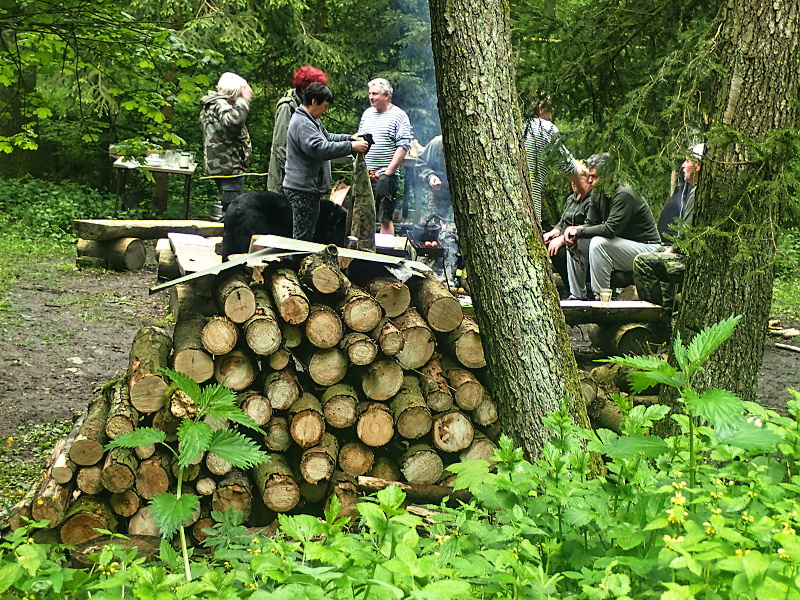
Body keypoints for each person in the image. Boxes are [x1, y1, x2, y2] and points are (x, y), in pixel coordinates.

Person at [563, 153, 662, 299]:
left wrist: (579, 231)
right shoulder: (598, 192)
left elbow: (610, 230)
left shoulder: (624, 193)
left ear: (609, 175)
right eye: (589, 176)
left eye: (595, 177)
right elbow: (590, 224)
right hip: (619, 246)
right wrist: (573, 232)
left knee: (598, 243)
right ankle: (577, 296)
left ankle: (601, 299)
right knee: (576, 241)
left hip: (647, 248)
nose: (590, 181)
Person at [633, 143, 705, 338]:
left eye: (688, 161)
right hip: (685, 254)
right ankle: (663, 321)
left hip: (695, 260)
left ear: (698, 166)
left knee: (644, 263)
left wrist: (673, 250)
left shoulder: (702, 193)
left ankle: (658, 324)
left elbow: (691, 237)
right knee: (656, 257)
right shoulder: (694, 190)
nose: (683, 165)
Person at [283, 83, 369, 241]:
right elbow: (319, 149)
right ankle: (297, 262)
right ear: (314, 101)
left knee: (307, 234)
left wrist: (351, 138)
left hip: (308, 188)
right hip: (302, 189)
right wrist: (351, 146)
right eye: (324, 106)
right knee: (302, 238)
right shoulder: (303, 123)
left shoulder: (311, 120)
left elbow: (328, 138)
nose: (325, 110)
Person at [359, 78, 413, 235]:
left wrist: (388, 172)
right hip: (366, 173)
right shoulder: (367, 114)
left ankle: (385, 256)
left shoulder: (399, 116)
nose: (371, 97)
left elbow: (403, 146)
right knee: (362, 215)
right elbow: (360, 140)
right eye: (370, 93)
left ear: (387, 95)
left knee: (385, 216)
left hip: (386, 175)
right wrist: (364, 168)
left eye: (375, 94)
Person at [199, 72, 253, 222]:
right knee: (232, 210)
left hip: (222, 165)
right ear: (231, 92)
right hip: (228, 167)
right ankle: (228, 242)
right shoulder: (220, 103)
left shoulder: (212, 104)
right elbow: (233, 123)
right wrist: (245, 101)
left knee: (230, 207)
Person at [267, 66, 329, 194]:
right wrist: (297, 176)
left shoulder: (310, 108)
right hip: (286, 183)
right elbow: (280, 147)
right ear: (303, 88)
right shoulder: (287, 107)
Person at [522, 91, 580, 224]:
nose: (552, 116)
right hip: (530, 205)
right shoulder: (545, 128)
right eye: (550, 110)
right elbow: (568, 166)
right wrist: (584, 169)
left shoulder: (520, 127)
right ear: (541, 108)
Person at [542, 161, 592, 292]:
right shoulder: (571, 199)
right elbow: (563, 221)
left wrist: (562, 239)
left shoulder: (592, 200)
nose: (573, 182)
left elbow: (590, 225)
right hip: (567, 240)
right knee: (549, 244)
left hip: (581, 244)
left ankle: (578, 290)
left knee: (557, 252)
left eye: (578, 178)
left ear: (589, 180)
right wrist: (555, 231)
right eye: (571, 179)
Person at [417, 135, 460, 284]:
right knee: (431, 232)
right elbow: (421, 163)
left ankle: (448, 276)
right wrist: (430, 176)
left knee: (451, 235)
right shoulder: (437, 143)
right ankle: (426, 273)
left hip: (463, 198)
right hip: (438, 196)